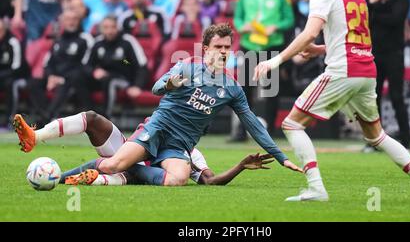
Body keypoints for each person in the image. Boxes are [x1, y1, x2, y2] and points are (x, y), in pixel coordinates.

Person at [253, 0, 410, 202]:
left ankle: (316, 188)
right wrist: (322, 49)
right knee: (377, 136)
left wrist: (275, 61)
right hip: (366, 71)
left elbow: (309, 32)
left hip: (343, 70)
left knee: (292, 124)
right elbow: (352, 38)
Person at [15, 23, 302, 187]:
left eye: (228, 47)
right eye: (219, 47)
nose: (225, 52)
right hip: (157, 129)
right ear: (206, 49)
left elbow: (252, 122)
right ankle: (61, 178)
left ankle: (128, 171)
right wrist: (170, 84)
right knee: (114, 163)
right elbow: (155, 87)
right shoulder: (187, 66)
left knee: (176, 181)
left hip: (178, 145)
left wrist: (280, 156)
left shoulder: (232, 87)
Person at [12, 111, 274, 186]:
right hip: (124, 159)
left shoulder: (191, 154)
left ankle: (65, 178)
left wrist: (240, 167)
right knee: (93, 119)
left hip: (130, 172)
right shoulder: (164, 121)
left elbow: (210, 180)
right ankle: (35, 136)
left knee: (129, 171)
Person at [233, 0, 294, 141]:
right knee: (244, 91)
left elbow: (289, 19)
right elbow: (238, 18)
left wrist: (276, 26)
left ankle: (269, 132)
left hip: (272, 46)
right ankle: (241, 131)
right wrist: (241, 27)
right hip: (249, 45)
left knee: (271, 91)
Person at [365, 0, 410, 151]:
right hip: (374, 53)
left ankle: (406, 142)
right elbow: (362, 20)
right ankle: (374, 142)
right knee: (372, 98)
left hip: (394, 52)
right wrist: (372, 2)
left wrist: (375, 12)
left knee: (396, 97)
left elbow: (396, 19)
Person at [27, 9, 93, 124]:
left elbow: (85, 64)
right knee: (33, 83)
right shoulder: (58, 40)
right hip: (56, 77)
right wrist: (51, 76)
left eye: (74, 19)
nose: (71, 22)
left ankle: (46, 119)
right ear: (62, 22)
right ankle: (46, 115)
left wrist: (62, 78)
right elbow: (48, 63)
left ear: (79, 21)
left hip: (75, 79)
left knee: (68, 82)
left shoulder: (86, 39)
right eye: (67, 19)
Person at [86, 15, 148, 118]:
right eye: (106, 27)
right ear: (101, 29)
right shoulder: (97, 43)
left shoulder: (128, 41)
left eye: (113, 27)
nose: (110, 31)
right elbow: (87, 65)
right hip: (103, 78)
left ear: (118, 27)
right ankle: (87, 114)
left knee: (110, 80)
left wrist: (137, 86)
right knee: (77, 77)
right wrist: (94, 71)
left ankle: (106, 118)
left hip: (125, 77)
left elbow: (142, 66)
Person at [0, 18, 29, 128]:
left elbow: (17, 67)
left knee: (10, 84)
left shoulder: (13, 42)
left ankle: (10, 119)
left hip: (16, 76)